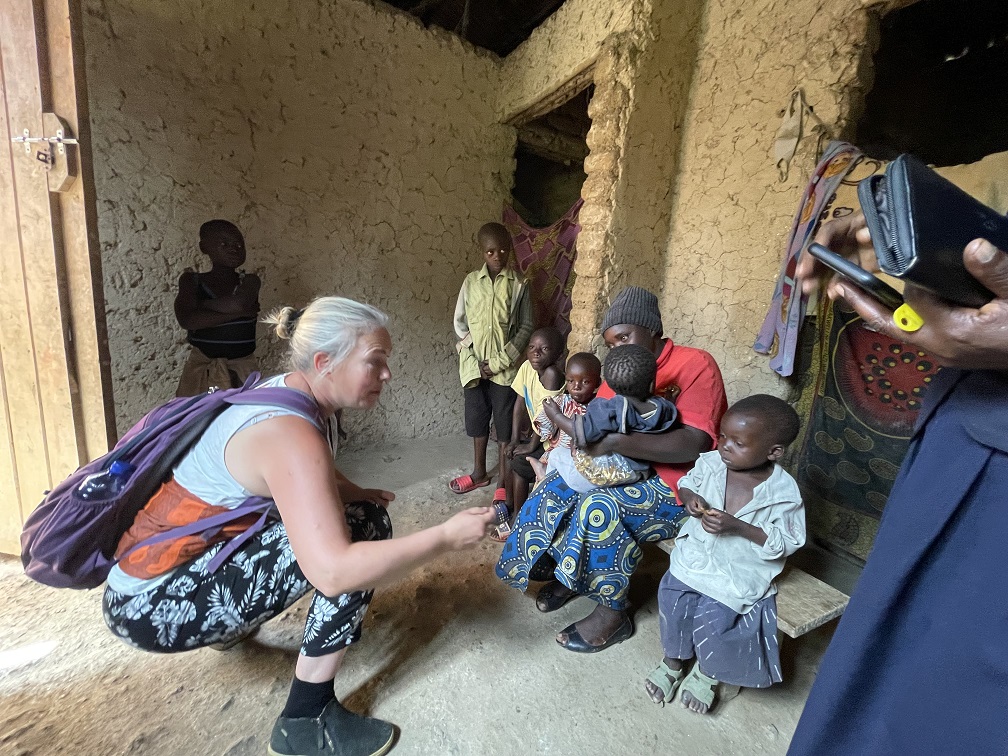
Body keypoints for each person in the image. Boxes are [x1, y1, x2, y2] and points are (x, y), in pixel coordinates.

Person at [102, 296, 498, 756]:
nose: (387, 374)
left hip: (152, 578)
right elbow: (334, 571)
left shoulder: (289, 394)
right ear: (325, 362)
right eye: (375, 361)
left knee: (353, 511)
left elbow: (311, 472)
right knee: (359, 533)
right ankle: (305, 719)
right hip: (151, 606)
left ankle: (228, 629)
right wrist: (445, 537)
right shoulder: (289, 433)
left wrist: (353, 489)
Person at [787, 213, 1008, 755]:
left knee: (952, 701)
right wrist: (933, 244)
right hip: (963, 431)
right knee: (875, 671)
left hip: (995, 467)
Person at [496, 285, 728, 652]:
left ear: (652, 329)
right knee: (557, 484)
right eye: (611, 343)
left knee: (599, 507)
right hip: (620, 468)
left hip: (677, 487)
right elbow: (592, 424)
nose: (617, 348)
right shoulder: (621, 369)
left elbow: (694, 443)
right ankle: (566, 571)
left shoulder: (695, 364)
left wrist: (617, 443)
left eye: (624, 337)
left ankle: (613, 612)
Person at [644, 395, 803, 715]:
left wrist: (739, 527)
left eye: (738, 443)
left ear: (773, 452)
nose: (726, 447)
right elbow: (688, 483)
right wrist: (690, 499)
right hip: (697, 555)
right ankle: (674, 660)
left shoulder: (784, 493)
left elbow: (788, 541)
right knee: (673, 598)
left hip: (739, 569)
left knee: (717, 618)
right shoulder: (712, 463)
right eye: (724, 437)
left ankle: (707, 671)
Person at [450, 222, 534, 497]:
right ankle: (478, 473)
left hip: (504, 370)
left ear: (510, 249)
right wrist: (474, 361)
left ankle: (502, 484)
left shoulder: (519, 285)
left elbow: (526, 327)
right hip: (475, 367)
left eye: (503, 250)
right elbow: (460, 323)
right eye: (490, 252)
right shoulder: (471, 283)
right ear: (481, 252)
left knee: (504, 425)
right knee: (477, 419)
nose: (497, 256)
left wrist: (498, 362)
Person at [540, 344, 678, 492]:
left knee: (557, 454)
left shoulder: (609, 408)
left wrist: (556, 415)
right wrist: (670, 398)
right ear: (651, 385)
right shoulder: (663, 407)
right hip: (637, 472)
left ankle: (544, 477)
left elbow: (581, 432)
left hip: (602, 474)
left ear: (608, 385)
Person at [174, 220, 261, 396]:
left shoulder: (249, 281)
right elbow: (188, 321)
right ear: (204, 247)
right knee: (201, 412)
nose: (234, 249)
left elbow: (238, 303)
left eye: (239, 244)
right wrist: (239, 314)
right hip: (202, 370)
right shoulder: (191, 281)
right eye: (224, 244)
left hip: (242, 370)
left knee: (245, 412)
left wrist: (202, 305)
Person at [495, 326, 564, 538]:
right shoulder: (527, 367)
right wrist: (515, 439)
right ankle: (509, 505)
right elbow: (519, 403)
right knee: (510, 452)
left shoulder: (552, 375)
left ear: (558, 354)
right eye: (532, 347)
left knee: (520, 463)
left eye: (544, 349)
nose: (536, 353)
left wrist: (531, 446)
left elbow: (546, 416)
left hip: (553, 441)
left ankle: (518, 516)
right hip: (539, 435)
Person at [525, 351, 603, 483]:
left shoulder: (599, 407)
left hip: (579, 461)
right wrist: (547, 412)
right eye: (570, 381)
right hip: (554, 457)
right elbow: (545, 429)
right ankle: (544, 473)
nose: (576, 387)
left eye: (585, 382)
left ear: (597, 383)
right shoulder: (562, 401)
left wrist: (557, 416)